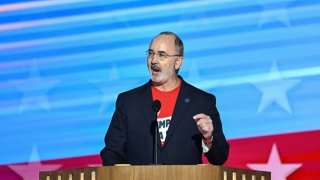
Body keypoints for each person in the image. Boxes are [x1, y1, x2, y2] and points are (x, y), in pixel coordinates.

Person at [100, 31, 229, 165]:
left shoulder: (201, 102)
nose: (154, 60)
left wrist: (208, 137)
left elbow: (220, 158)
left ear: (178, 62)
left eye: (162, 55)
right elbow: (112, 153)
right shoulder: (128, 102)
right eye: (150, 53)